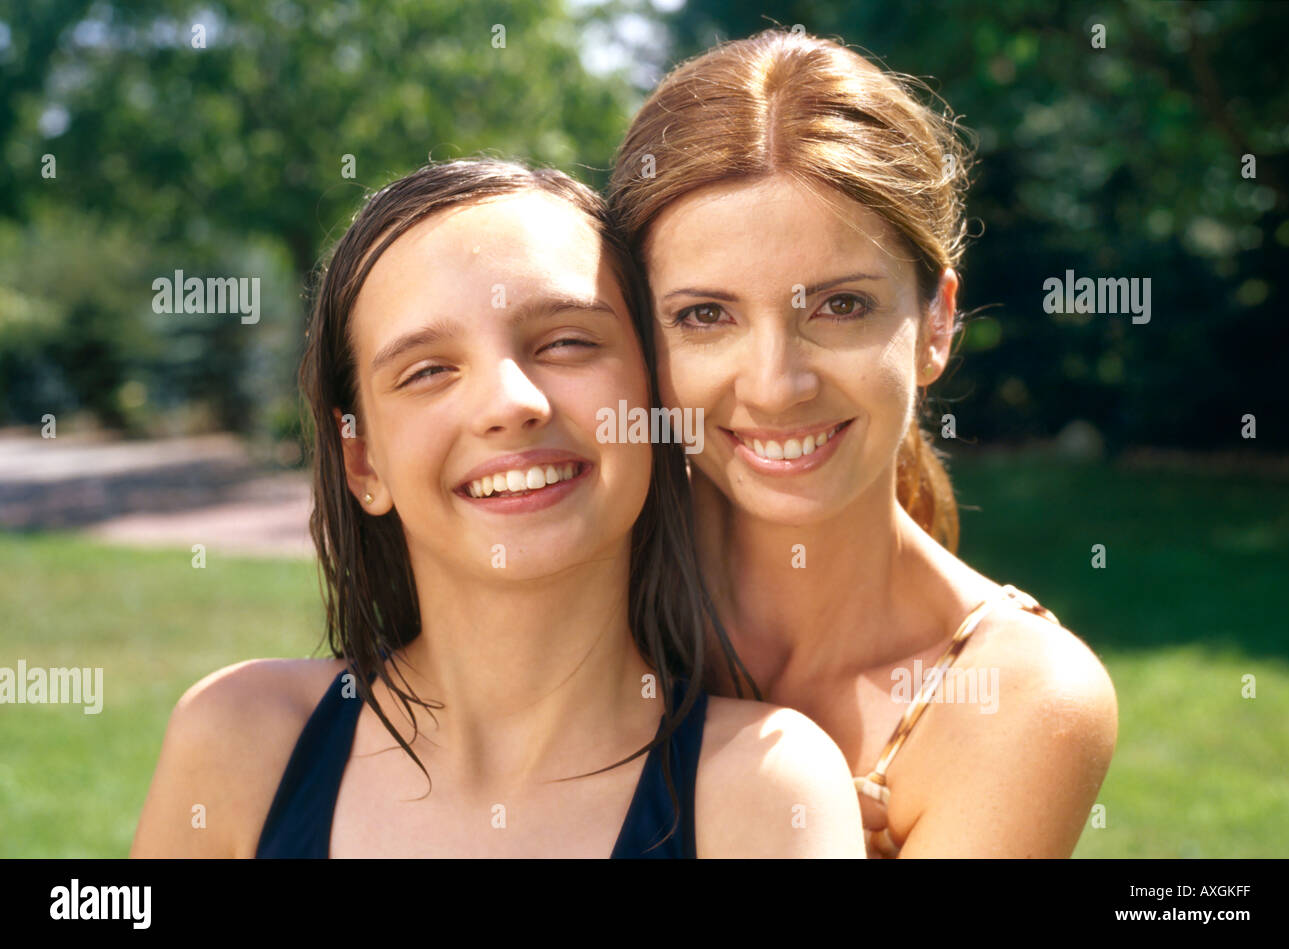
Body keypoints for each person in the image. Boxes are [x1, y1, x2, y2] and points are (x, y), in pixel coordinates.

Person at [130, 158, 865, 859]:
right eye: (427, 370)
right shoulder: (240, 740)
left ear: (657, 399)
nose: (512, 403)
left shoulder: (764, 791)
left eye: (569, 341)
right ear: (362, 459)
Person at [608, 30, 1118, 858]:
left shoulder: (1019, 699)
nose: (776, 385)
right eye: (706, 315)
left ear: (937, 321)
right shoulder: (578, 596)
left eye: (840, 306)